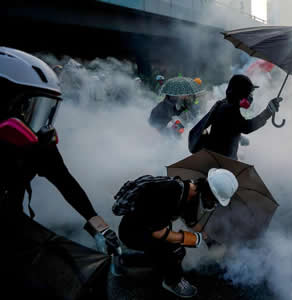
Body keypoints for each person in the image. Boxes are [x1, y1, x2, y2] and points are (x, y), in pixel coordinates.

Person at [0, 47, 121, 295]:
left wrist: (100, 226)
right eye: (29, 108)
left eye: (46, 110)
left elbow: (66, 183)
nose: (41, 126)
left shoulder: (36, 144)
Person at [118, 168, 238, 298]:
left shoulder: (192, 193)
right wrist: (190, 239)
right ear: (209, 193)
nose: (214, 205)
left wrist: (208, 240)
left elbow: (191, 222)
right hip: (132, 232)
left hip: (149, 229)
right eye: (215, 201)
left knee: (173, 248)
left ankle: (148, 261)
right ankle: (171, 281)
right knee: (176, 251)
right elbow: (158, 233)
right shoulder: (170, 192)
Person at [189, 74, 281, 160]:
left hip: (217, 158)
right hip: (222, 161)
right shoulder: (229, 108)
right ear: (240, 93)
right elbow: (247, 127)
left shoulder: (224, 105)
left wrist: (239, 137)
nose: (251, 96)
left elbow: (226, 128)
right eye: (248, 93)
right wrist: (268, 112)